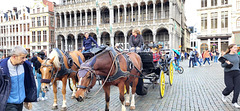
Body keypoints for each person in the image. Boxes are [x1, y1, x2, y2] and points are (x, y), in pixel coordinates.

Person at [0, 46, 37, 111]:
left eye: (25, 57)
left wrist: (28, 99)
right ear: (14, 56)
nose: (25, 59)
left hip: (20, 103)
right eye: (22, 58)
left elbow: (28, 83)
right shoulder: (2, 68)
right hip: (8, 103)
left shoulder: (25, 66)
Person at [221, 44, 240, 108]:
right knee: (230, 87)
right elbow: (222, 65)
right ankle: (224, 94)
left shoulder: (237, 56)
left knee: (237, 88)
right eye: (234, 47)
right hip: (228, 73)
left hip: (237, 73)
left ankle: (234, 102)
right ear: (230, 48)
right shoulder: (226, 56)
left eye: (236, 48)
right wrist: (227, 63)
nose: (236, 49)